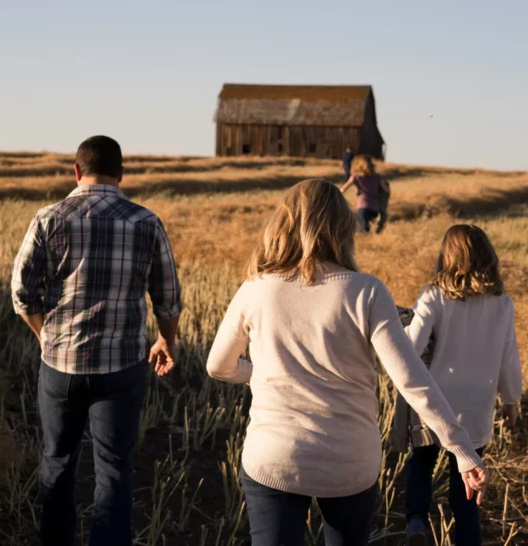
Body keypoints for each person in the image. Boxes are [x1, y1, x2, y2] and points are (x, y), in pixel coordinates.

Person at [205, 179, 487, 546]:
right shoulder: (366, 291)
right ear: (343, 227)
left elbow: (218, 366)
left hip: (275, 458)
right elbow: (411, 380)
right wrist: (462, 451)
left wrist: (262, 374)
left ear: (284, 224)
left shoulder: (255, 288)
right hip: (350, 462)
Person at [11, 135, 182, 546]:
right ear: (121, 174)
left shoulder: (48, 218)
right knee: (115, 468)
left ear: (76, 171)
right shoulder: (146, 222)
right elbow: (168, 299)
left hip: (60, 366)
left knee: (57, 461)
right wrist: (165, 341)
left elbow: (22, 292)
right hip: (122, 367)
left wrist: (44, 336)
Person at [403, 224, 522, 546]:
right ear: (488, 256)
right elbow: (509, 356)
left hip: (435, 400)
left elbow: (411, 347)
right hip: (478, 404)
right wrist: (511, 400)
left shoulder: (434, 296)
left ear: (447, 255)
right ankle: (467, 537)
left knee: (422, 460)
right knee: (467, 479)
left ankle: (415, 519)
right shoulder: (502, 303)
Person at [341, 155, 390, 233]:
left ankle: (367, 238)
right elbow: (387, 190)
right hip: (375, 208)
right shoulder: (377, 177)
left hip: (363, 207)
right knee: (368, 227)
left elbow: (343, 189)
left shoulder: (355, 177)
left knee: (362, 229)